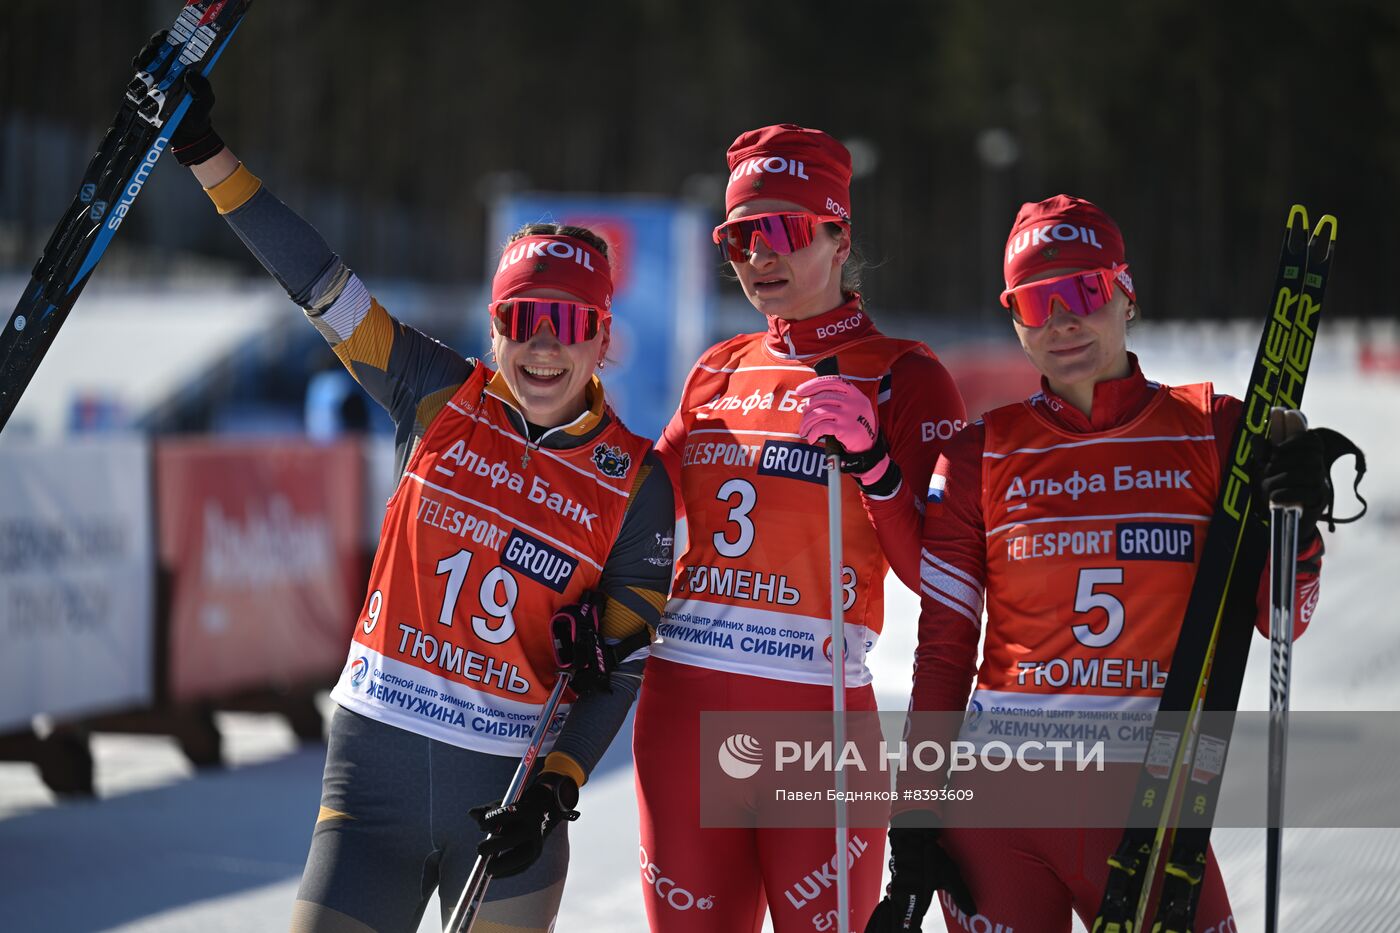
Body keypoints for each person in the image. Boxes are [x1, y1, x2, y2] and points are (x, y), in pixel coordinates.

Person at [167, 68, 674, 933]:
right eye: (522, 321)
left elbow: (618, 666)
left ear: (602, 338)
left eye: (570, 323)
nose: (543, 348)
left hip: (507, 799)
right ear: (493, 328)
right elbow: (315, 279)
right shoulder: (435, 392)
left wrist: (557, 787)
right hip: (373, 781)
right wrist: (203, 153)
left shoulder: (636, 479)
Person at [859, 195, 1335, 932]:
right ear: (1013, 316)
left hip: (1156, 805)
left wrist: (1297, 529)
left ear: (1126, 290)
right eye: (1037, 301)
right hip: (999, 815)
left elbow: (1282, 622)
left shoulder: (1214, 429)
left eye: (1085, 291)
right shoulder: (977, 454)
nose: (1063, 321)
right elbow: (946, 651)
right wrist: (914, 817)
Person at [633, 124, 967, 932]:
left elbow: (942, 580)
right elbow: (638, 515)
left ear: (838, 236)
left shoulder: (906, 376)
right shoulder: (718, 368)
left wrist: (876, 467)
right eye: (741, 235)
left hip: (816, 720)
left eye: (782, 230)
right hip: (683, 711)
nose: (759, 255)